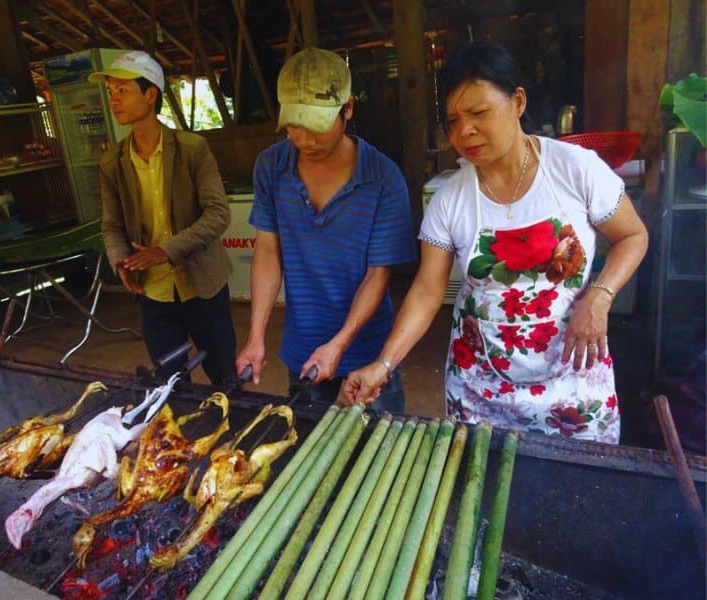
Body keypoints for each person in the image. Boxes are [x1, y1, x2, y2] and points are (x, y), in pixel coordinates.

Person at [344, 41, 648, 443]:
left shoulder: (575, 170)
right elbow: (427, 290)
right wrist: (383, 364)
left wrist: (600, 295)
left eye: (479, 113)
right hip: (480, 390)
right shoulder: (450, 199)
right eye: (453, 121)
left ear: (518, 101)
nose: (464, 131)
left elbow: (632, 235)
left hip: (573, 386)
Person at [235, 47, 417, 411]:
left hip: (370, 351)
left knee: (380, 440)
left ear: (347, 109)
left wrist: (339, 344)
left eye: (316, 127)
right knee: (304, 436)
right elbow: (268, 253)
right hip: (303, 347)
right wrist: (256, 337)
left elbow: (378, 274)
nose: (304, 140)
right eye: (294, 125)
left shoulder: (383, 178)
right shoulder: (270, 167)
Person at [90, 51, 237, 385]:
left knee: (225, 378)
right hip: (153, 292)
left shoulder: (192, 149)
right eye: (111, 92)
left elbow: (218, 213)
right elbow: (111, 225)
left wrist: (164, 251)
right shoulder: (112, 161)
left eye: (123, 91)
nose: (113, 100)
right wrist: (120, 261)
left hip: (202, 284)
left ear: (150, 94)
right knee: (170, 384)